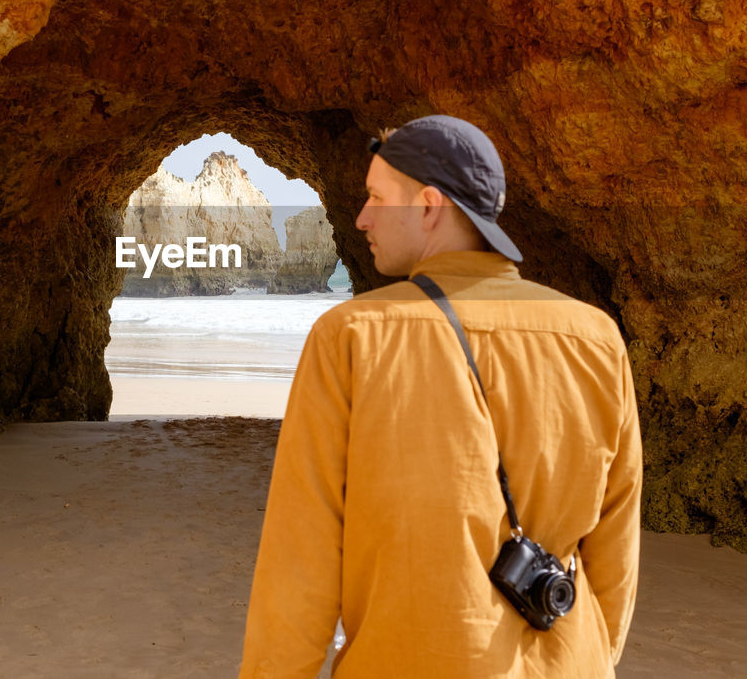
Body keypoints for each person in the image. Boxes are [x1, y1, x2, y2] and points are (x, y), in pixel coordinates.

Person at [238, 115, 642, 678]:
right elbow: (614, 554)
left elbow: (300, 562)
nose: (361, 218)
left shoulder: (351, 337)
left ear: (428, 205)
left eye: (377, 197)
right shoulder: (595, 338)